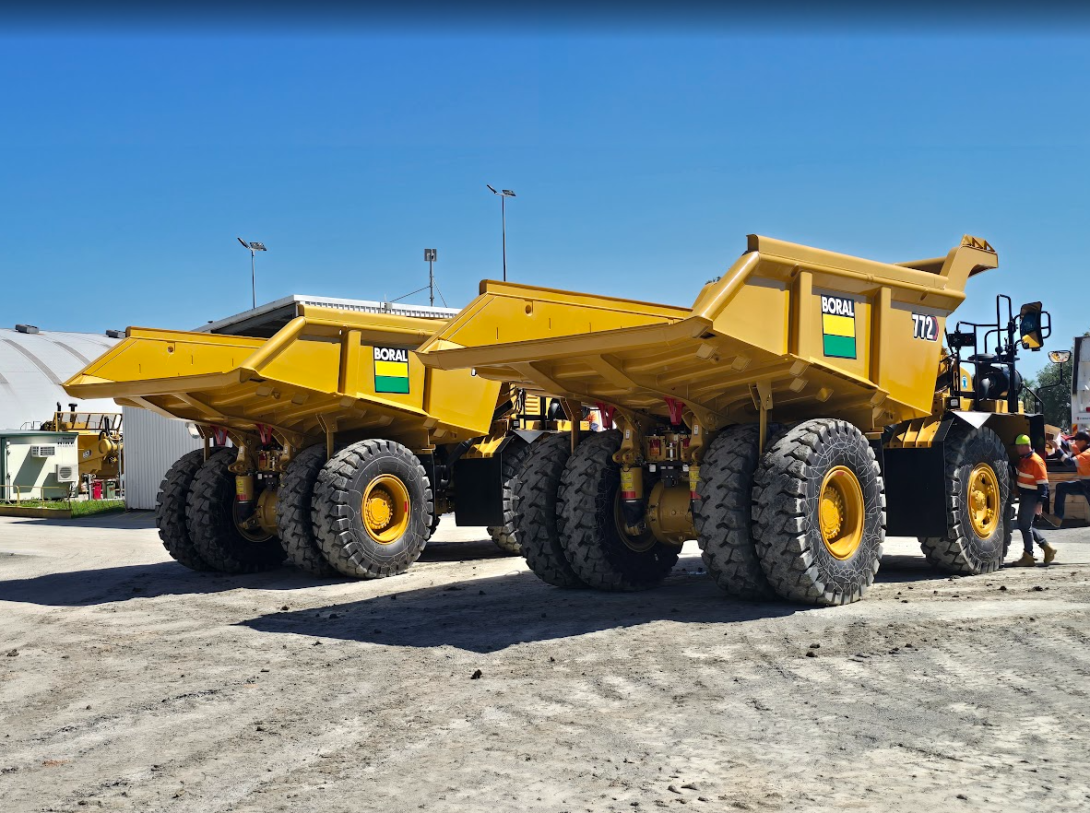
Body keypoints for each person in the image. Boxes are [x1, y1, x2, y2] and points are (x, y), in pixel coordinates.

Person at [1010, 434, 1057, 566]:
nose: (1017, 450)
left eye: (1018, 447)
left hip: (1032, 497)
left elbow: (1044, 485)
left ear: (1025, 446)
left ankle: (1029, 556)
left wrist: (1040, 503)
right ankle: (1047, 548)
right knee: (1025, 525)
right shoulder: (1025, 459)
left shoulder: (1036, 461)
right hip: (1026, 497)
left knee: (1024, 525)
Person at [1041, 430, 1090, 529]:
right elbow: (1066, 445)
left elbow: (1069, 462)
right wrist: (1052, 438)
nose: (1074, 442)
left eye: (1077, 440)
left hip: (1088, 485)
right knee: (1061, 487)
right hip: (1084, 484)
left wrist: (1057, 448)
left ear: (1083, 441)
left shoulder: (1087, 454)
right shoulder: (1082, 448)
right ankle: (1057, 518)